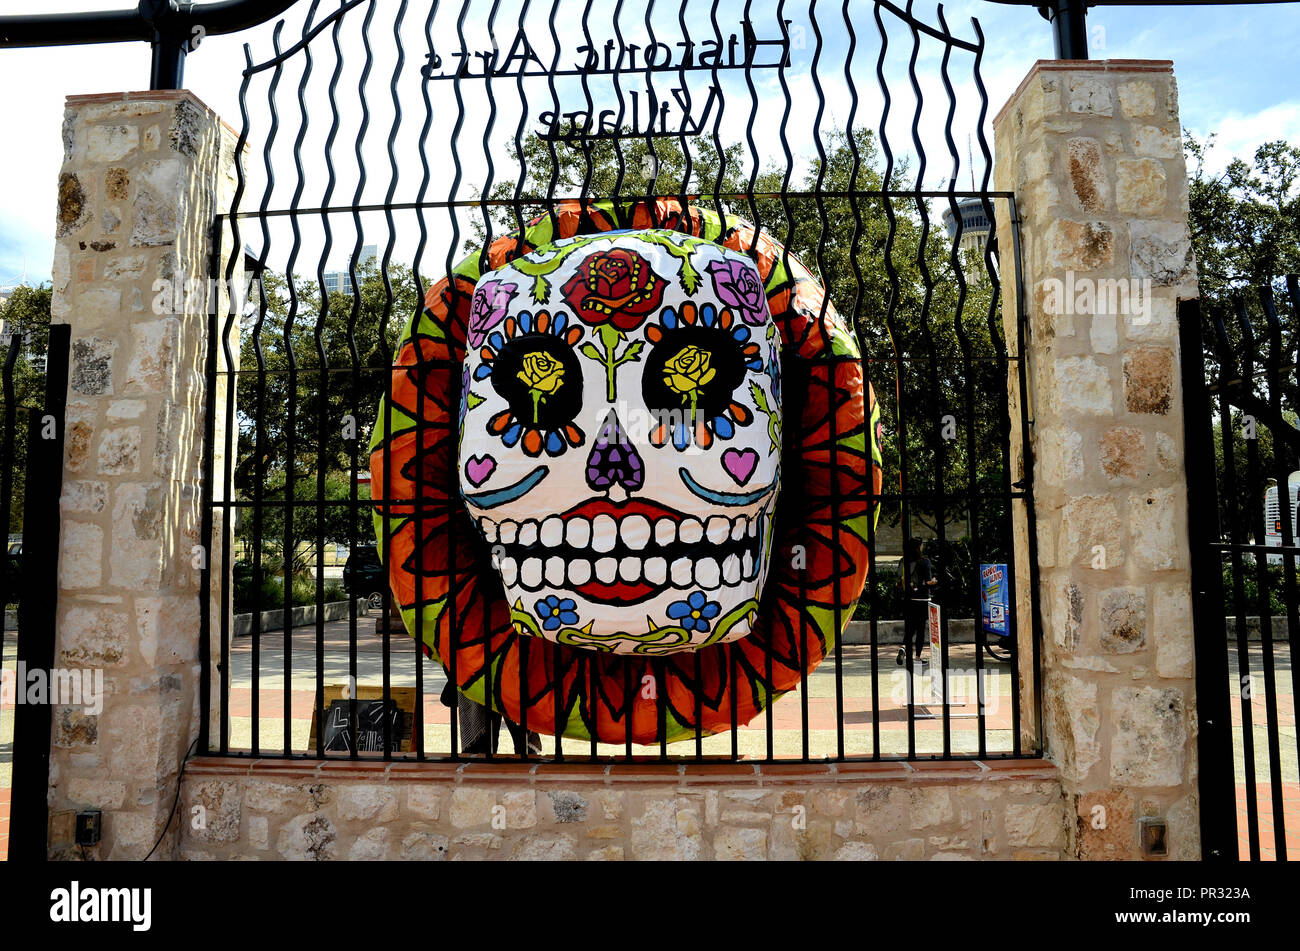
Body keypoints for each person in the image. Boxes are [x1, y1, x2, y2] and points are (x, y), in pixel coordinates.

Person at [897, 537, 938, 666]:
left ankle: (904, 647)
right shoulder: (924, 561)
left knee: (910, 627)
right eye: (921, 545)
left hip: (908, 599)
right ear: (919, 547)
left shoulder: (903, 561)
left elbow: (899, 578)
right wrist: (935, 581)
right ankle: (918, 658)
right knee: (920, 629)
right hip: (923, 599)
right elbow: (928, 581)